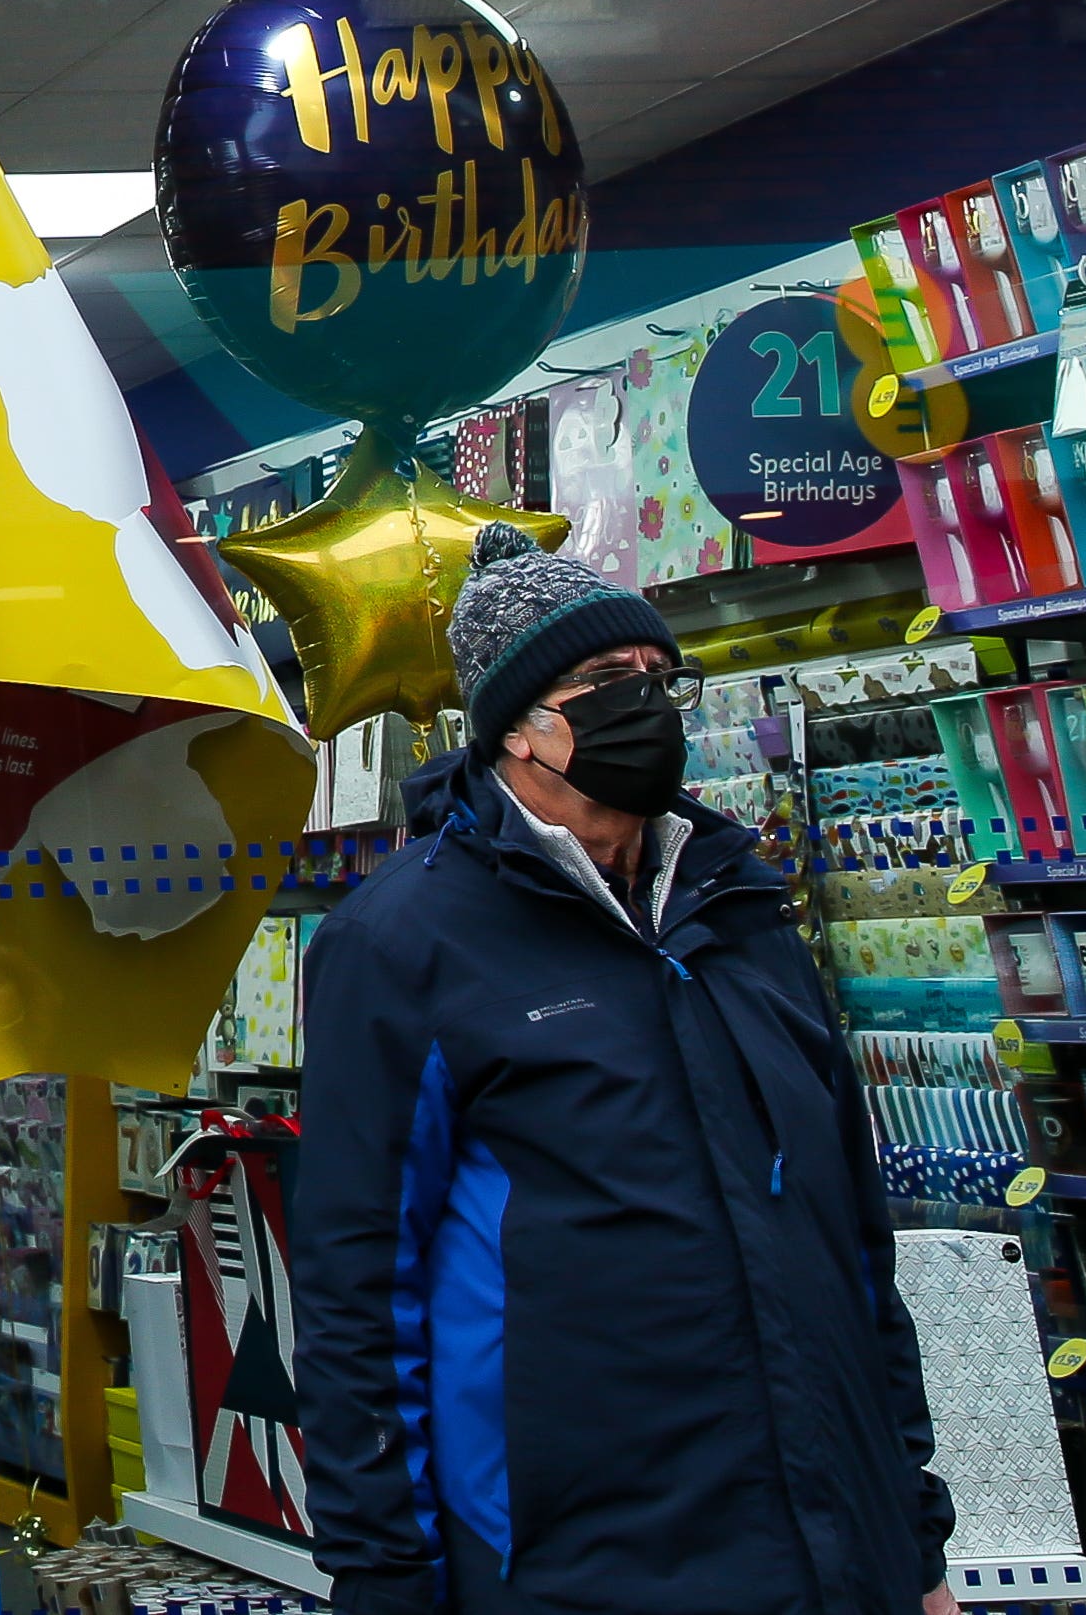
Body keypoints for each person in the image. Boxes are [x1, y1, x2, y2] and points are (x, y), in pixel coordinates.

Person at [297, 526, 957, 1615]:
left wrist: (915, 1536)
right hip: (579, 1564)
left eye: (659, 678)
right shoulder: (404, 941)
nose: (645, 704)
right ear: (515, 725)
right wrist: (386, 1579)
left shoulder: (740, 912)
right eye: (605, 681)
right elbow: (359, 1288)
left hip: (833, 1550)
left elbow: (851, 1242)